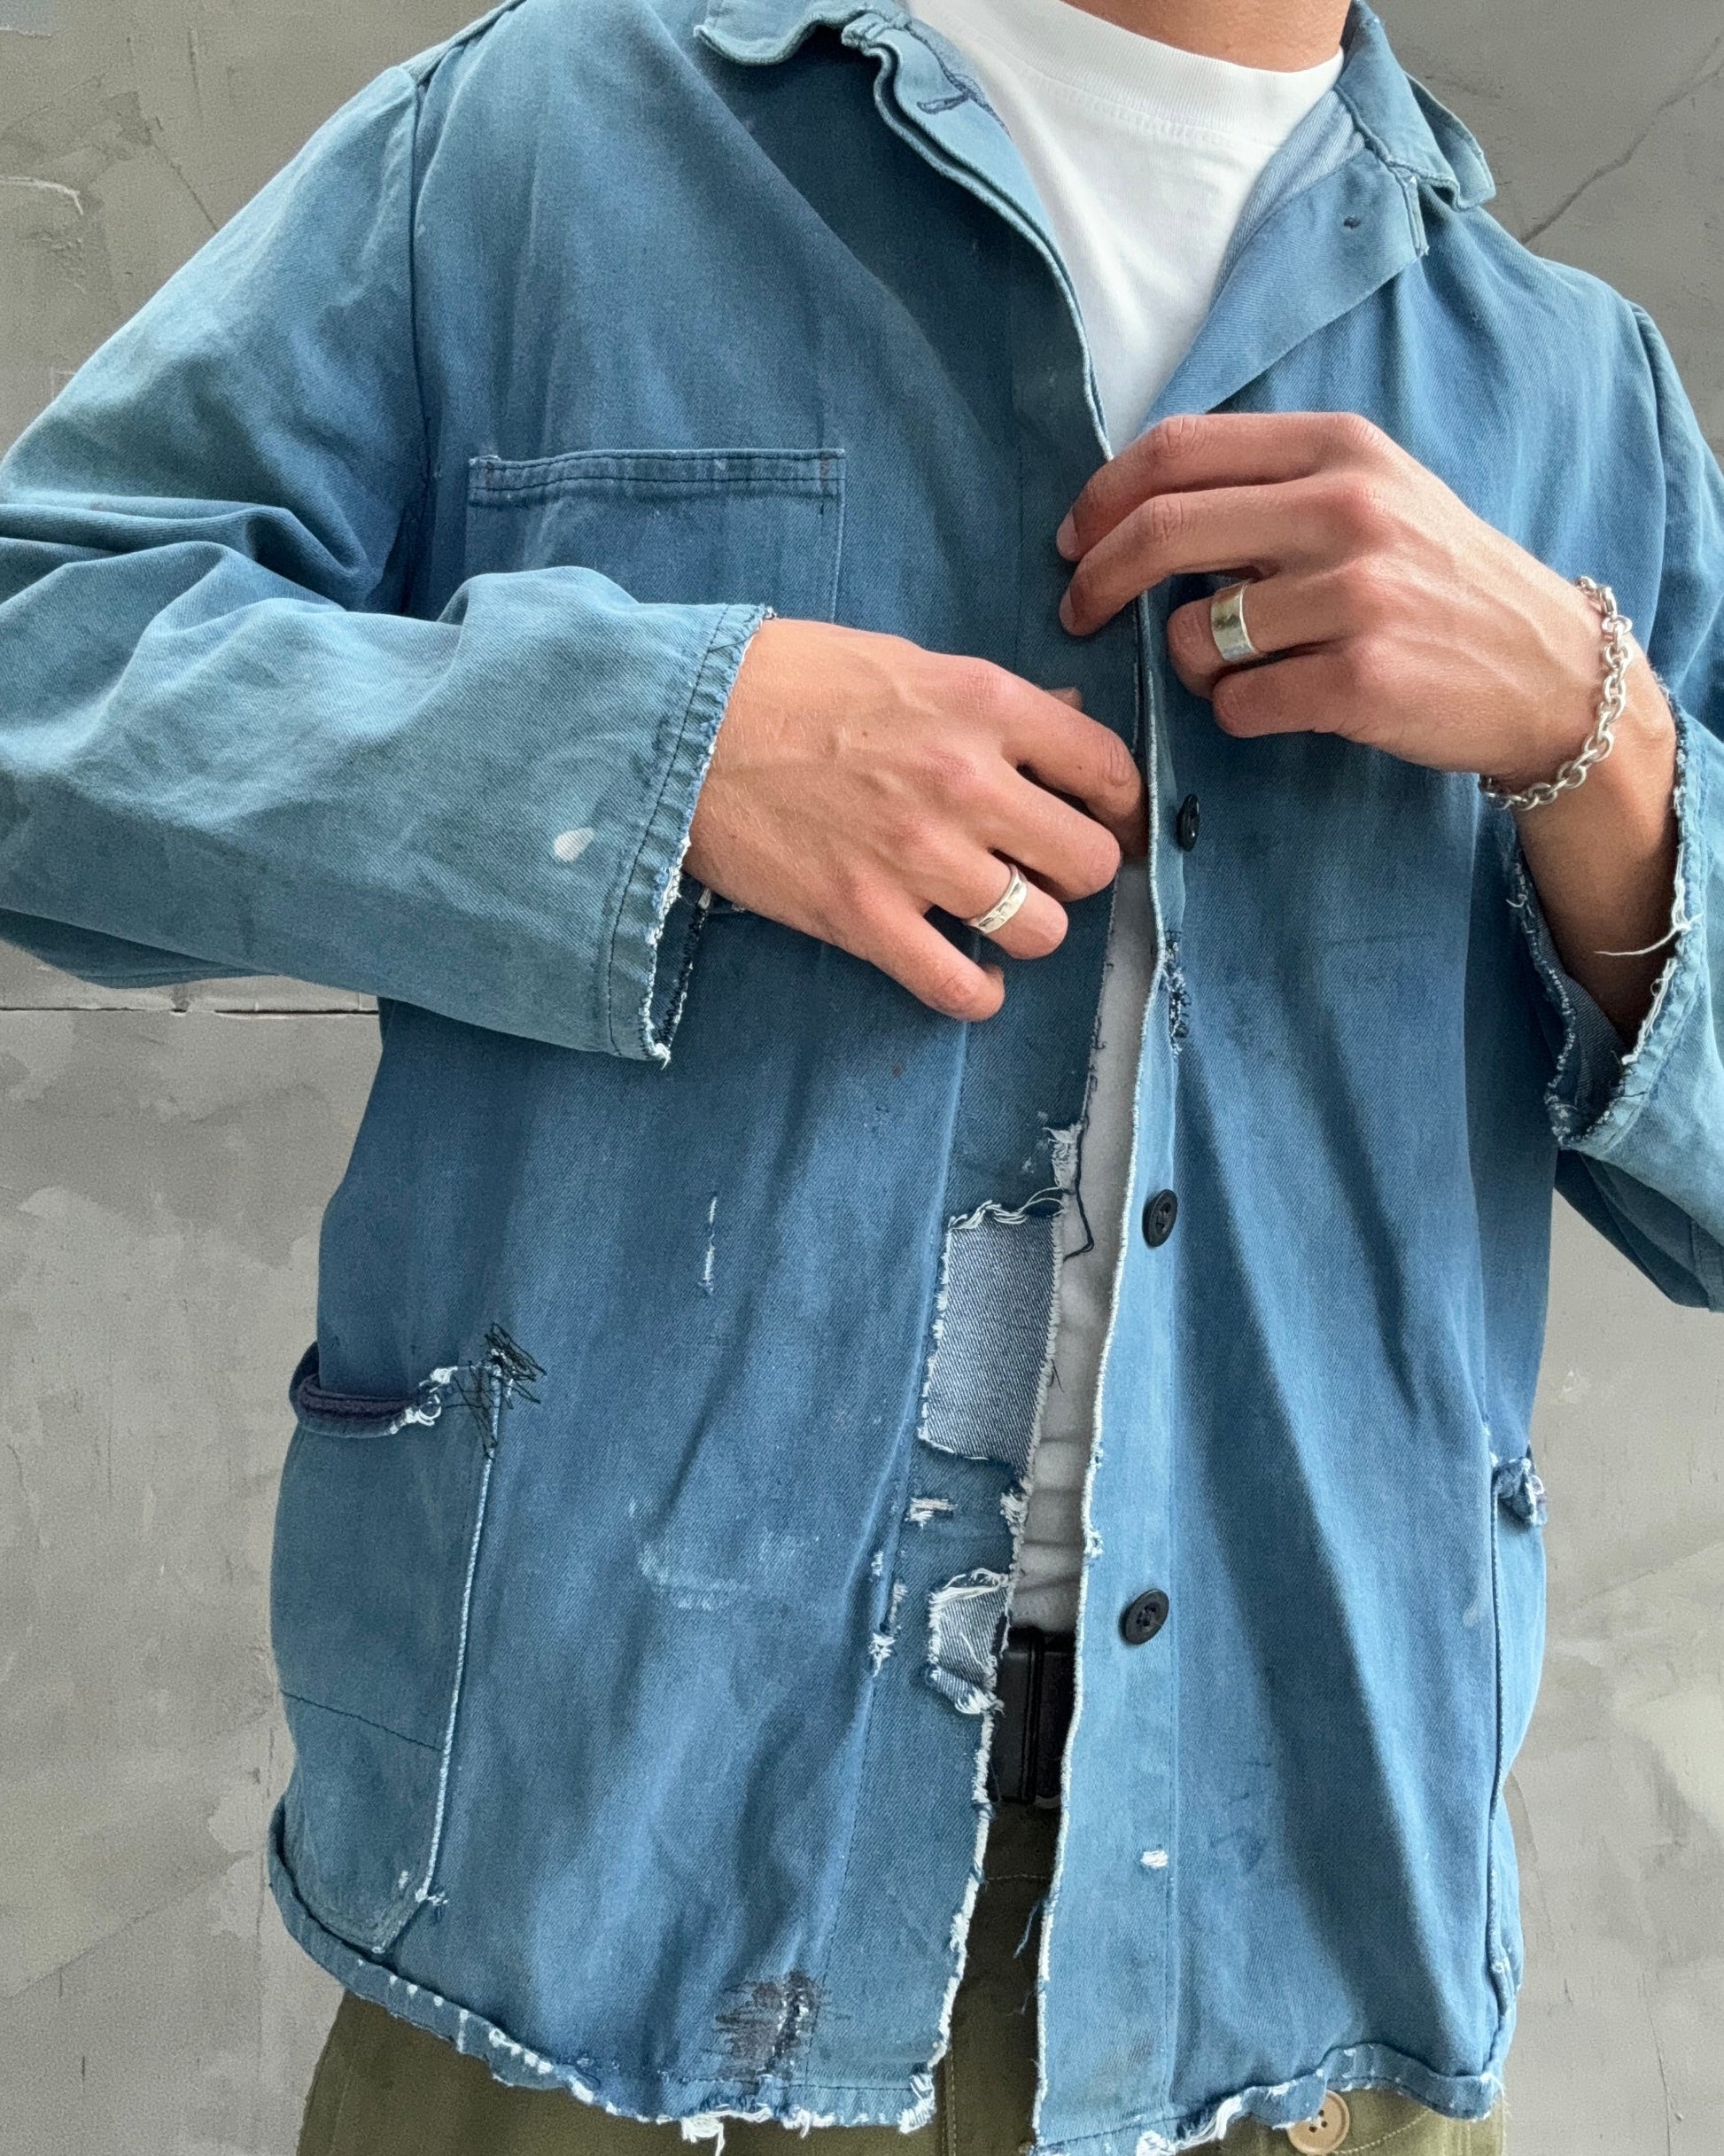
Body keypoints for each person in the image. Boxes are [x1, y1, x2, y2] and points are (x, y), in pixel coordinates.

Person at [0, 0, 1719, 2148]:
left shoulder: (1574, 394)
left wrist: (1593, 733)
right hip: (606, 1927)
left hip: (1305, 1968)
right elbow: (41, 674)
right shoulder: (544, 141)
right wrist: (667, 751)